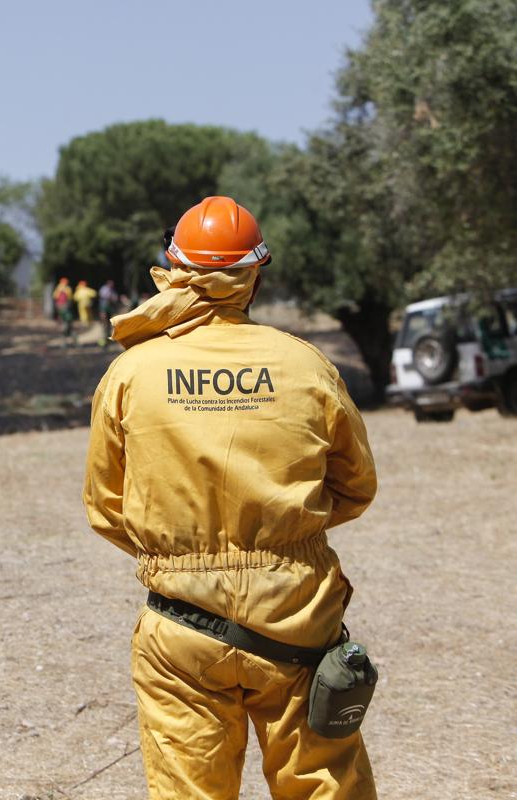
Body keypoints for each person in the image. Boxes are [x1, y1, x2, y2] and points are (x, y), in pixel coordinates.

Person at [82, 196, 377, 799]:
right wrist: (284, 536)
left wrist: (178, 551)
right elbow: (355, 487)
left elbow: (106, 505)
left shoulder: (132, 373)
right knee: (324, 786)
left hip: (180, 626)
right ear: (254, 274)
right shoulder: (306, 365)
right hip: (298, 617)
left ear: (175, 268)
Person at [97, 279, 121, 346]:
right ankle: (103, 340)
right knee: (104, 325)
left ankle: (108, 339)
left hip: (110, 309)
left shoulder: (112, 290)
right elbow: (103, 296)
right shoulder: (104, 289)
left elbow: (115, 299)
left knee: (110, 324)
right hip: (103, 309)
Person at [52, 277, 75, 342]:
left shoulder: (58, 288)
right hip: (65, 305)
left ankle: (62, 327)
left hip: (59, 305)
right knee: (67, 318)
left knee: (61, 316)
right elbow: (70, 297)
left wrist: (57, 305)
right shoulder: (67, 289)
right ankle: (66, 330)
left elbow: (55, 297)